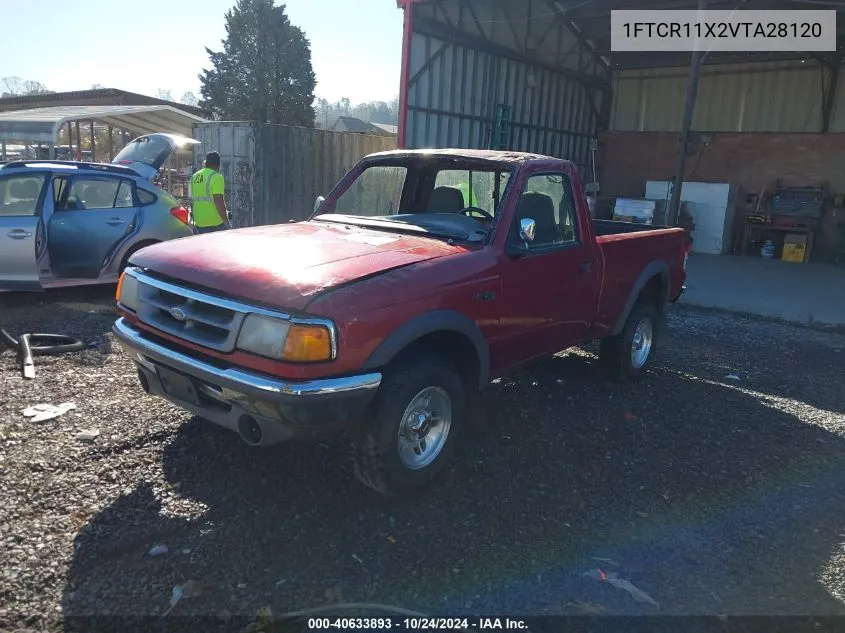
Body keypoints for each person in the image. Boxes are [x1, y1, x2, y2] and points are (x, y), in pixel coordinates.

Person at [190, 151, 230, 233]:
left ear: (205, 163)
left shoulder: (194, 177)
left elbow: (191, 200)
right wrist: (226, 222)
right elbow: (219, 201)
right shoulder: (216, 177)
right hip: (214, 223)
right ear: (218, 164)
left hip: (199, 222)